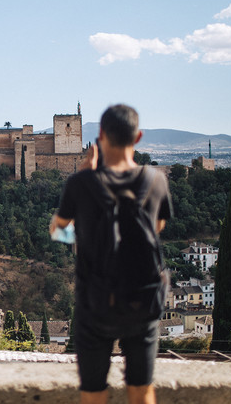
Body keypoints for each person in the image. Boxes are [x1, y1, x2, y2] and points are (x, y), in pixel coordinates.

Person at [50, 104, 172, 404]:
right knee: (142, 389)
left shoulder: (81, 183)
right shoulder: (156, 181)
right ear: (138, 137)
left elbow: (57, 232)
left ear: (100, 135)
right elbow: (156, 228)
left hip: (96, 303)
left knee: (93, 392)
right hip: (142, 301)